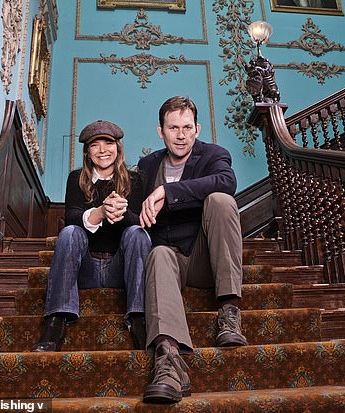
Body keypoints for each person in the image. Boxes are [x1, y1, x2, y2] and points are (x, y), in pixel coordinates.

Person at [137, 96, 246, 403]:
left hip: (203, 258)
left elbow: (226, 182)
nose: (181, 135)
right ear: (161, 131)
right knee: (156, 254)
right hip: (167, 261)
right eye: (173, 128)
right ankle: (169, 361)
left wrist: (167, 192)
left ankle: (229, 311)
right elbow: (138, 212)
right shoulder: (147, 165)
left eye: (187, 127)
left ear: (197, 129)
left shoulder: (213, 155)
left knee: (221, 200)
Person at [31, 120, 151, 352]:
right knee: (69, 233)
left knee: (137, 233)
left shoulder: (136, 180)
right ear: (87, 152)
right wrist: (101, 212)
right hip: (85, 268)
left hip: (120, 268)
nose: (103, 150)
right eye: (95, 145)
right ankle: (55, 321)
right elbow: (72, 216)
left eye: (108, 143)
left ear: (118, 148)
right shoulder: (76, 178)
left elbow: (140, 222)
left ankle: (139, 319)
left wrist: (121, 213)